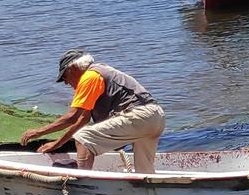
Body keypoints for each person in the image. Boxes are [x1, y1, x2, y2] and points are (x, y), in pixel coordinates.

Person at [20, 49, 167, 172]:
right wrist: (57, 143)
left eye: (65, 76)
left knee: (83, 138)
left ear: (73, 69)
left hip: (139, 117)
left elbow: (72, 117)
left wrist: (37, 132)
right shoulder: (101, 73)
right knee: (144, 171)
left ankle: (83, 183)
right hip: (156, 118)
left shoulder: (89, 77)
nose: (65, 82)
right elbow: (82, 119)